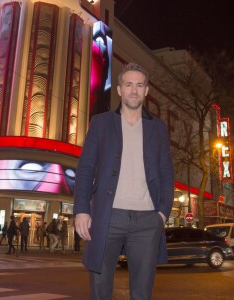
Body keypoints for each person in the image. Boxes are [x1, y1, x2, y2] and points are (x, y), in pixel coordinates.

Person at [74, 63, 174, 300]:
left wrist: (162, 212)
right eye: (128, 84)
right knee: (100, 289)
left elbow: (166, 171)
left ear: (146, 91)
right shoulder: (101, 123)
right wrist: (81, 210)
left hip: (147, 219)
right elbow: (86, 168)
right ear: (119, 89)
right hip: (108, 217)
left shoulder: (157, 128)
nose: (133, 90)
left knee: (142, 292)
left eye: (139, 85)